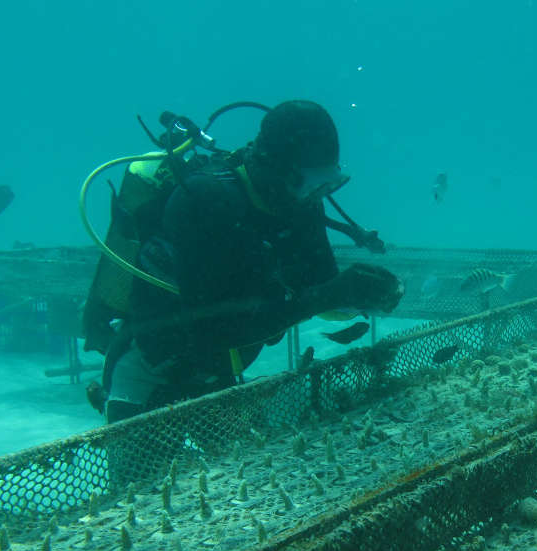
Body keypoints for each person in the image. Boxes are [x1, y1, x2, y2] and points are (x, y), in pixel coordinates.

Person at [95, 100, 403, 422]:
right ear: (275, 168)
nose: (315, 194)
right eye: (309, 182)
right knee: (146, 457)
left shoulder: (302, 203)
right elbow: (214, 328)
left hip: (220, 373)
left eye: (326, 183)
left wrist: (362, 297)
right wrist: (327, 296)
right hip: (151, 371)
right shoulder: (204, 200)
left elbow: (320, 291)